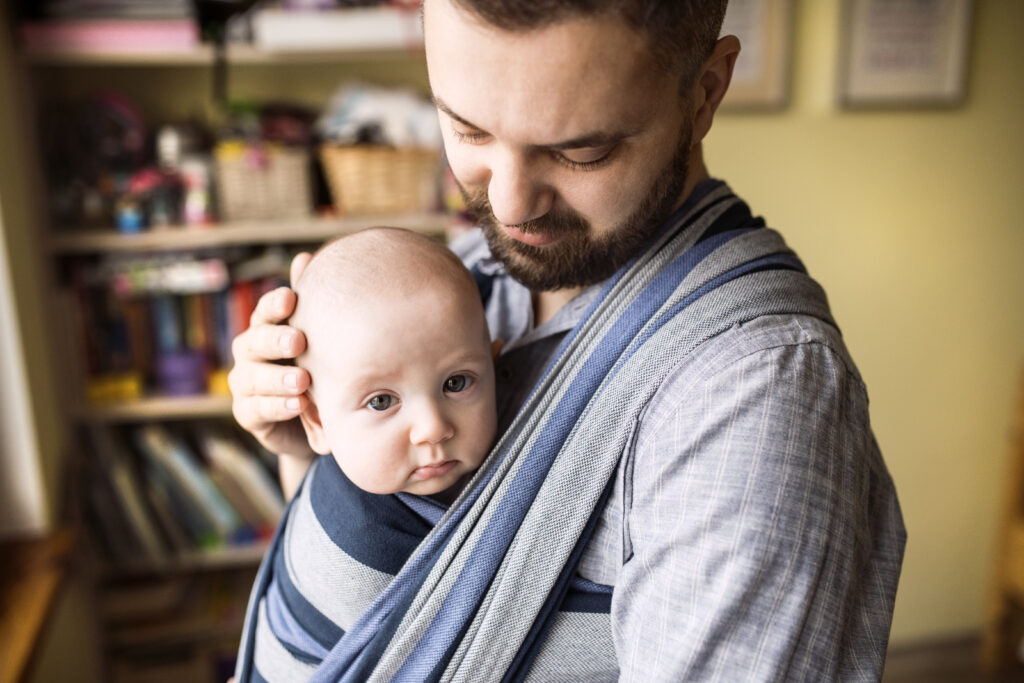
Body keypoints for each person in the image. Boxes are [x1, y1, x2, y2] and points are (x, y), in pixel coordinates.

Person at [231, 0, 907, 680]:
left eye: (580, 150)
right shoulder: (472, 273)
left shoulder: (750, 394)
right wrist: (308, 448)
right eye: (468, 131)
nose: (510, 205)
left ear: (704, 94)